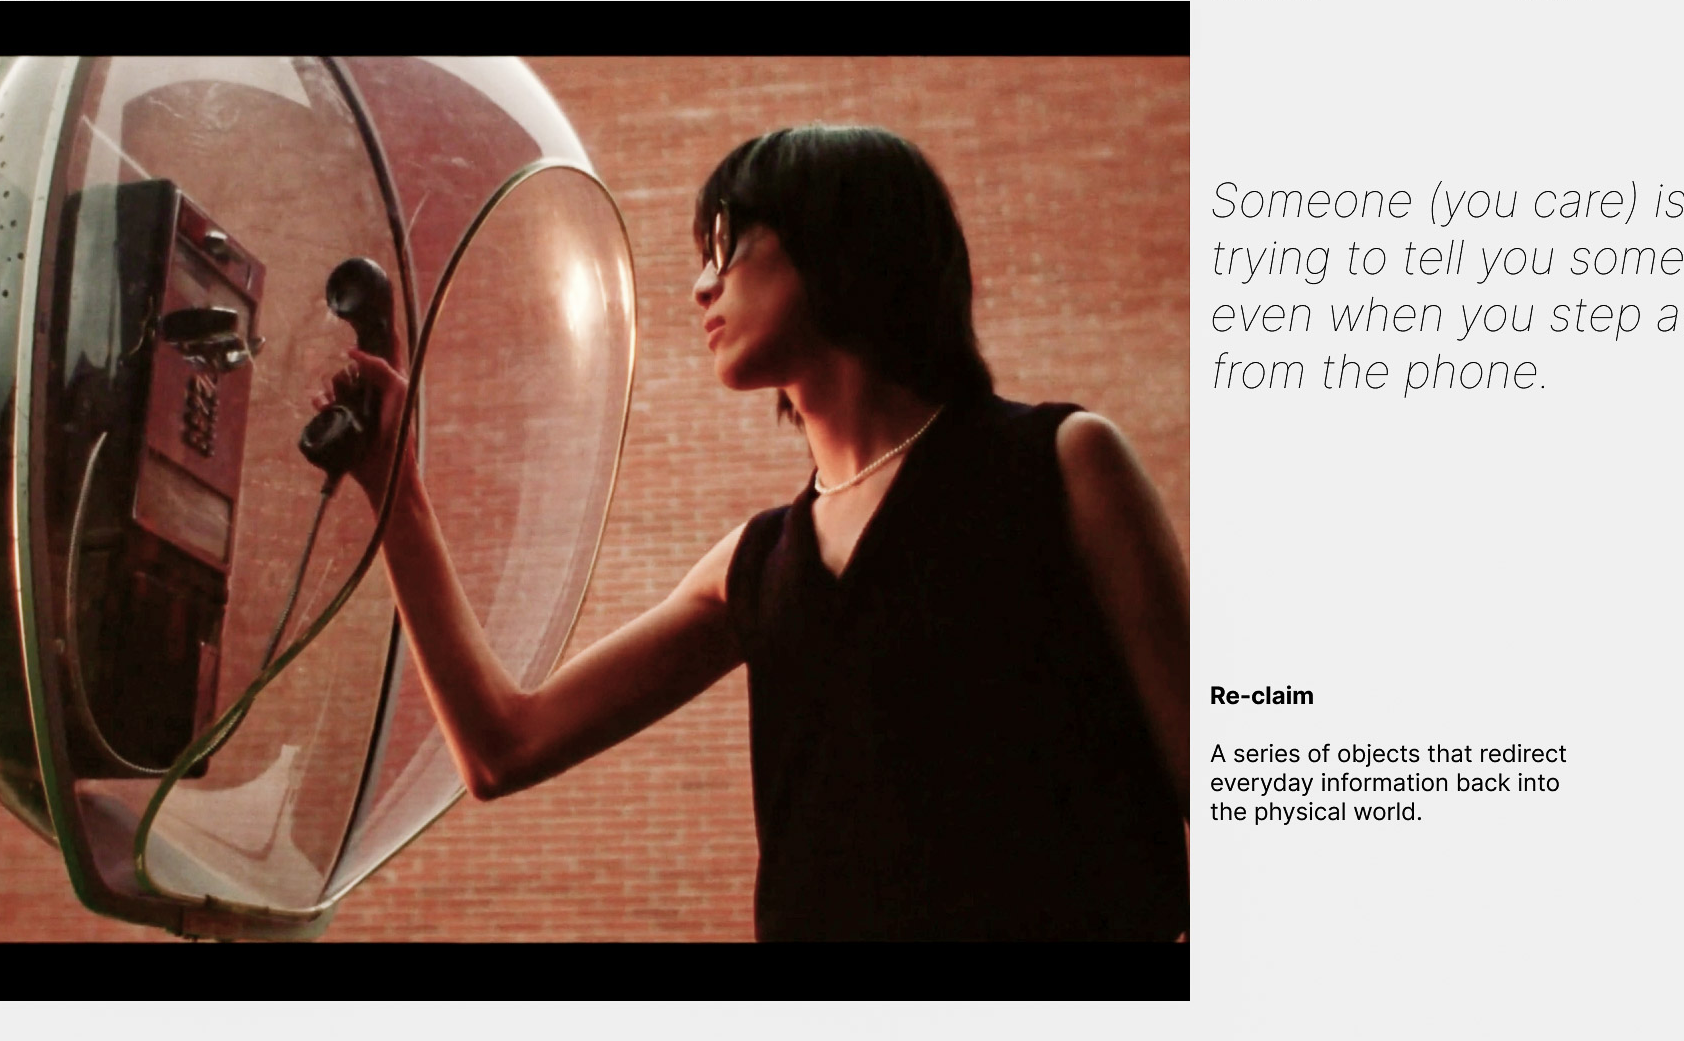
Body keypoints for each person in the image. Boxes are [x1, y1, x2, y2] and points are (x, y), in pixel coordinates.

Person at [319, 124, 1189, 941]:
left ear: (841, 244)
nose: (702, 286)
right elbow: (501, 749)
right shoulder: (756, 565)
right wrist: (393, 479)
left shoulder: (1063, 463)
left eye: (727, 248)